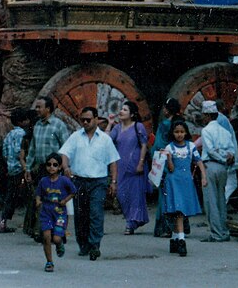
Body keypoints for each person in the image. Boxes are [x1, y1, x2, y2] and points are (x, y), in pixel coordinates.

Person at [59, 104, 119, 261]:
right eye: (82, 120)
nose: (84, 123)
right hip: (79, 181)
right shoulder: (75, 137)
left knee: (96, 213)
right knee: (80, 214)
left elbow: (113, 162)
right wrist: (65, 167)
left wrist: (113, 181)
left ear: (96, 120)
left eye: (88, 120)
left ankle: (94, 245)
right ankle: (83, 244)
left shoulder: (105, 139)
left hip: (98, 181)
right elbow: (65, 153)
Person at [24, 96, 70, 238]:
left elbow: (66, 148)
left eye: (39, 107)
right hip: (40, 168)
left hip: (54, 170)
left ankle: (57, 231)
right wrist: (27, 168)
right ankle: (39, 230)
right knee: (39, 200)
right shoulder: (37, 125)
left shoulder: (58, 125)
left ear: (48, 109)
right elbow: (32, 149)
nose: (36, 110)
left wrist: (65, 167)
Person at [161, 116, 207, 256]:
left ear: (186, 132)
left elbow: (198, 161)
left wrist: (204, 177)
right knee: (179, 211)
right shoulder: (169, 147)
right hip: (173, 182)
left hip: (186, 182)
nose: (179, 134)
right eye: (176, 132)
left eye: (182, 131)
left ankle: (174, 238)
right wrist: (169, 158)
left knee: (179, 211)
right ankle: (181, 240)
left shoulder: (191, 146)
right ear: (172, 133)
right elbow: (171, 169)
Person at [110, 99, 149, 234]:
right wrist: (109, 125)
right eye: (121, 109)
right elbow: (107, 141)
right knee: (122, 195)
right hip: (120, 166)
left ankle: (130, 223)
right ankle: (133, 219)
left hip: (135, 165)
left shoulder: (138, 126)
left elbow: (144, 145)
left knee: (135, 195)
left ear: (132, 114)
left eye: (125, 110)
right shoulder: (117, 128)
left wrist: (141, 163)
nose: (121, 111)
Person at [199, 99, 236, 242]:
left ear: (208, 116)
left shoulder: (206, 130)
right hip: (223, 168)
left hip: (211, 165)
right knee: (221, 199)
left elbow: (210, 150)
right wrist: (226, 158)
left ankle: (216, 233)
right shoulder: (224, 131)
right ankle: (224, 231)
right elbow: (231, 151)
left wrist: (220, 157)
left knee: (211, 201)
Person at [36, 152, 76, 273]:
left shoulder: (64, 180)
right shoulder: (43, 181)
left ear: (59, 167)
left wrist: (65, 200)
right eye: (49, 164)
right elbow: (38, 193)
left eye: (55, 164)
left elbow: (73, 191)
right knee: (46, 237)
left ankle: (59, 245)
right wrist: (38, 201)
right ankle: (49, 261)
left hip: (59, 213)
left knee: (57, 238)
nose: (51, 167)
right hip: (46, 212)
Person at [151, 97, 182, 237]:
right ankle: (179, 227)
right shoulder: (180, 124)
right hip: (178, 163)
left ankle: (164, 227)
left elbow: (158, 145)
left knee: (163, 196)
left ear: (168, 110)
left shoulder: (164, 125)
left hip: (164, 163)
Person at [0, 107, 27, 233]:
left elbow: (4, 151)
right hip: (19, 168)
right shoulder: (21, 133)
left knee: (10, 196)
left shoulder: (9, 134)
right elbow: (18, 150)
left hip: (10, 168)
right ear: (22, 121)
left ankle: (3, 221)